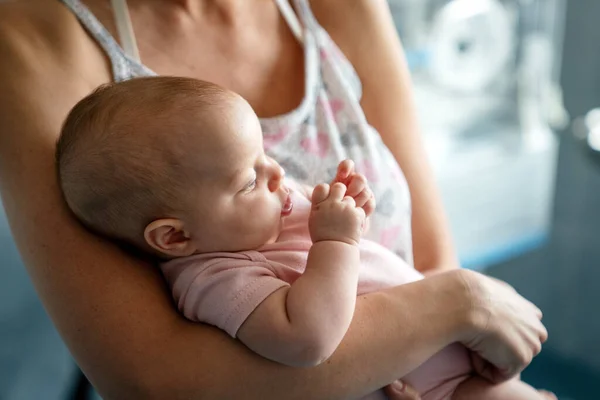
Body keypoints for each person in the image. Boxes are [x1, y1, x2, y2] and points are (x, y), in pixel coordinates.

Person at [0, 0, 551, 399]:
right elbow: (163, 382)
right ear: (175, 236)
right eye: (246, 179)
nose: (278, 173)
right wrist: (455, 303)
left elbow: (427, 257)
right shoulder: (219, 273)